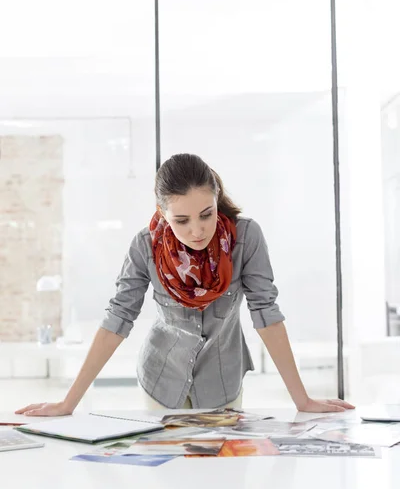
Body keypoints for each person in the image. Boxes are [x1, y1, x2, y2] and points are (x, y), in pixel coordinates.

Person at [16, 153, 354, 417]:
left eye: (206, 214)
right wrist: (68, 402)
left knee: (223, 484)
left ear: (217, 199)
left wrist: (302, 400)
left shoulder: (246, 238)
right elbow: (118, 319)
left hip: (222, 382)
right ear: (162, 214)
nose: (197, 230)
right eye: (181, 220)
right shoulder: (144, 246)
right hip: (162, 380)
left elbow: (266, 313)